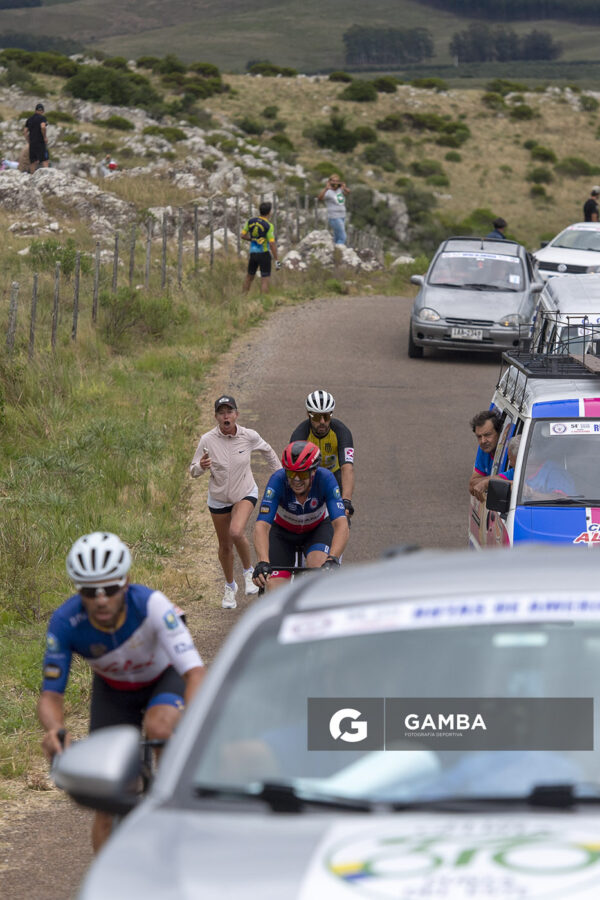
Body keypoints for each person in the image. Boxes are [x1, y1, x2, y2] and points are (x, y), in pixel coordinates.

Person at [38, 531, 205, 852]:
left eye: (110, 588)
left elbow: (195, 672)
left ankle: (173, 801)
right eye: (90, 591)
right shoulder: (65, 621)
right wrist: (55, 729)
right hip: (114, 692)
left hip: (163, 679)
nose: (101, 599)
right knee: (109, 799)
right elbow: (51, 697)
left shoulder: (151, 605)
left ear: (126, 581)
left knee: (160, 727)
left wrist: (194, 724)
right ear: (78, 590)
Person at [190, 394, 281, 609]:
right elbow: (192, 471)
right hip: (219, 497)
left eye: (229, 412)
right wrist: (201, 466)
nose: (226, 416)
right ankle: (230, 587)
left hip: (244, 491)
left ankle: (249, 572)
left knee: (236, 531)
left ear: (236, 415)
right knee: (224, 546)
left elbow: (268, 450)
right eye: (221, 413)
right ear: (216, 417)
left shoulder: (248, 436)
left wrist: (281, 477)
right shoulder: (207, 440)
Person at [252, 440, 349, 591]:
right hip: (283, 534)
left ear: (314, 471)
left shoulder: (326, 479)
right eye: (291, 473)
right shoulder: (277, 480)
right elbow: (261, 525)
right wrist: (262, 561)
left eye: (302, 473)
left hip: (316, 531)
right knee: (275, 589)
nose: (296, 480)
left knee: (319, 575)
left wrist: (333, 558)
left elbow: (341, 523)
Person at [289, 389, 355, 519]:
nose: (323, 422)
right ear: (308, 414)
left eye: (327, 416)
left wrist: (346, 500)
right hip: (309, 477)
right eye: (318, 417)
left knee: (342, 519)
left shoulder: (342, 432)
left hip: (334, 477)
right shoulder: (300, 435)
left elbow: (347, 467)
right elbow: (294, 470)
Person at [241, 201, 280, 294]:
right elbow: (272, 243)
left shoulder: (250, 221)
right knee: (265, 279)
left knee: (249, 277)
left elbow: (242, 235)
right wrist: (277, 260)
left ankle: (242, 298)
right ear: (269, 212)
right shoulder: (269, 226)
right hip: (264, 254)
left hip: (253, 253)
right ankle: (263, 301)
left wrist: (252, 239)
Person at [469, 409, 502, 501]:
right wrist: (493, 480)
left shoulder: (510, 453)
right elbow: (472, 485)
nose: (483, 441)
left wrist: (486, 482)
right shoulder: (484, 449)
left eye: (487, 435)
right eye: (479, 437)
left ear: (499, 433)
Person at [318, 173, 350, 246]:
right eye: (333, 181)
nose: (335, 183)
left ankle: (334, 249)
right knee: (343, 237)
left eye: (337, 181)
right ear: (329, 182)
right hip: (334, 217)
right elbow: (320, 198)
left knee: (337, 236)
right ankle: (339, 251)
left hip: (342, 216)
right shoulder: (328, 192)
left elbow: (348, 192)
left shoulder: (339, 190)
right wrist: (326, 188)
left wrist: (344, 187)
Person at [24, 103, 49, 174]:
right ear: (42, 111)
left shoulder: (29, 119)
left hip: (32, 143)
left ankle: (32, 176)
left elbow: (25, 131)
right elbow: (43, 127)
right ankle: (47, 176)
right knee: (45, 159)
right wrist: (44, 137)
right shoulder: (42, 118)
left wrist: (28, 140)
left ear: (35, 110)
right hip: (40, 142)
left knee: (33, 161)